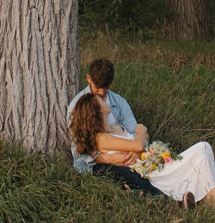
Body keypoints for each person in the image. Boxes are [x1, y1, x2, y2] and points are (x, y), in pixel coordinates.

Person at [69, 92, 215, 206]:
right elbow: (139, 143)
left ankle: (211, 197)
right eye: (101, 100)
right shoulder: (100, 138)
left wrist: (141, 139)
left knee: (202, 150)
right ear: (97, 110)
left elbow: (141, 143)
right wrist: (141, 130)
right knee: (202, 148)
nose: (105, 98)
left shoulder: (116, 127)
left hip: (151, 163)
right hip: (146, 172)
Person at [66, 59, 163, 196]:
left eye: (105, 89)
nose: (100, 92)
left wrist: (135, 151)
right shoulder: (79, 106)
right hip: (97, 164)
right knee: (126, 175)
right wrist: (103, 158)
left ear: (110, 84)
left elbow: (136, 133)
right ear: (88, 78)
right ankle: (161, 197)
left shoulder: (119, 103)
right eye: (97, 88)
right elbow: (79, 151)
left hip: (129, 155)